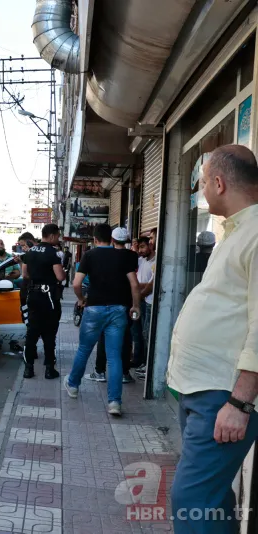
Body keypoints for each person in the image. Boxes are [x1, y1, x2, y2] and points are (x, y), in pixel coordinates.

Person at [166, 145, 258, 534]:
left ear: (219, 183)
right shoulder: (236, 231)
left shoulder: (254, 234)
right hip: (203, 391)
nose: (202, 192)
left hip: (223, 395)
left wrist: (239, 401)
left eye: (202, 183)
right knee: (212, 501)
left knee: (192, 502)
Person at [64, 223, 140, 416]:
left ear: (95, 240)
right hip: (118, 310)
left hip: (94, 309)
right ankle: (114, 402)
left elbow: (76, 283)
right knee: (114, 357)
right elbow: (134, 284)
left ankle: (73, 385)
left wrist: (81, 299)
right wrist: (136, 305)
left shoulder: (89, 255)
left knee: (84, 349)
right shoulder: (124, 257)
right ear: (113, 239)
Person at [85, 227, 137, 384]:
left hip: (105, 301)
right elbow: (134, 282)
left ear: (112, 240)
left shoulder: (105, 255)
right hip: (126, 302)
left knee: (104, 336)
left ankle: (100, 371)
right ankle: (124, 373)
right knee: (126, 337)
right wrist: (136, 304)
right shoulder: (132, 256)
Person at [21, 224, 65, 379]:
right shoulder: (53, 253)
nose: (58, 238)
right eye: (58, 236)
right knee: (49, 333)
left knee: (32, 332)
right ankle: (49, 369)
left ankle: (28, 368)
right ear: (52, 236)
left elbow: (25, 274)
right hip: (49, 297)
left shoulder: (30, 251)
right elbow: (60, 277)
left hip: (33, 295)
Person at [133, 236, 156, 378]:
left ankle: (148, 363)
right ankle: (139, 360)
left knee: (147, 333)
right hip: (140, 301)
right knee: (137, 332)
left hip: (145, 300)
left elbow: (149, 285)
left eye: (143, 247)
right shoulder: (141, 260)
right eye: (139, 247)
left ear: (151, 246)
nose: (140, 250)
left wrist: (138, 293)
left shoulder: (155, 262)